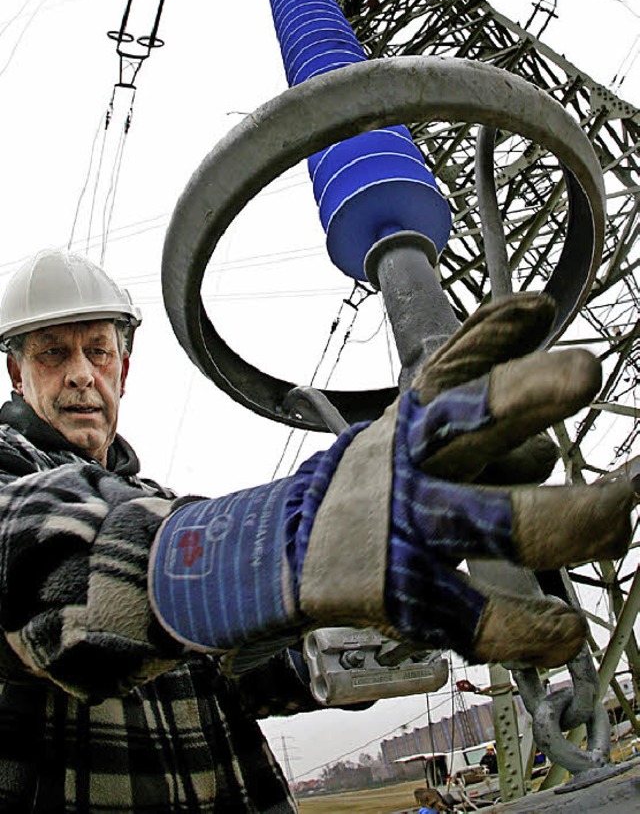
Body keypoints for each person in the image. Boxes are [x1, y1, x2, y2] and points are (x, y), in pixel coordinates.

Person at [0, 249, 634, 812]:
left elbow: (247, 669)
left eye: (97, 350)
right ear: (17, 377)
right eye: (53, 353)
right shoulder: (18, 485)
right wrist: (274, 544)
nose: (81, 374)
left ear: (124, 371)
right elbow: (50, 557)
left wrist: (358, 632)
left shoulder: (163, 508)